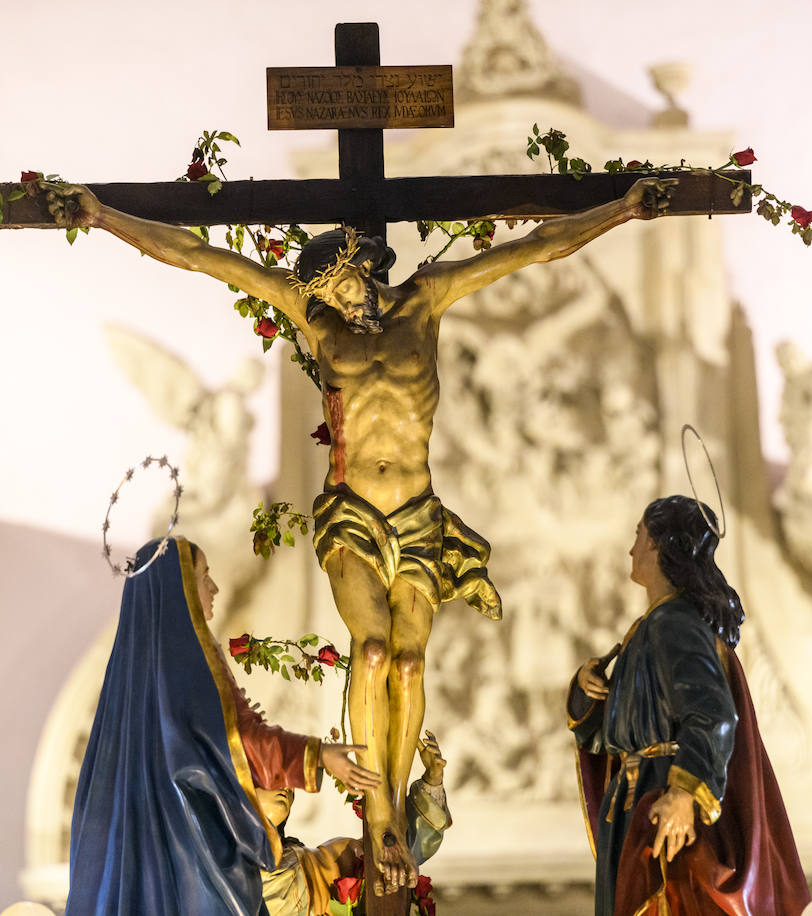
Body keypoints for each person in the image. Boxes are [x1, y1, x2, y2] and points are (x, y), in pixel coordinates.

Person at [45, 175, 676, 893]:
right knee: (371, 650)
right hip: (350, 513)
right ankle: (380, 818)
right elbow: (201, 257)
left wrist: (624, 209)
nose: (336, 305)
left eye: (342, 289)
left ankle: (401, 816)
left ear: (361, 268)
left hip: (417, 516)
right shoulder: (317, 324)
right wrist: (103, 217)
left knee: (408, 667)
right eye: (325, 297)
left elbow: (534, 249)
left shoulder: (429, 299)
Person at [66, 537, 380, 916]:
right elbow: (236, 739)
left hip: (152, 847)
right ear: (177, 586)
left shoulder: (131, 673)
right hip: (191, 841)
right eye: (204, 576)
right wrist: (317, 755)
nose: (213, 588)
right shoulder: (186, 662)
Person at [568, 496, 810, 915]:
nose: (632, 549)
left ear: (663, 545)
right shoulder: (648, 629)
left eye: (639, 536)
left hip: (662, 799)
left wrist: (685, 793)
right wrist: (584, 689)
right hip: (636, 801)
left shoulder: (675, 622)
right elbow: (611, 734)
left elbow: (713, 712)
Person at [257, 731, 452, 916]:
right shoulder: (231, 867)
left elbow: (398, 848)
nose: (286, 786)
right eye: (273, 778)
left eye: (289, 782)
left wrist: (432, 782)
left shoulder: (331, 857)